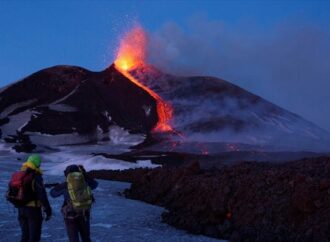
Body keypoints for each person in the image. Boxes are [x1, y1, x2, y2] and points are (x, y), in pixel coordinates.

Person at [50, 164, 98, 242]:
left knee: (73, 239)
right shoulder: (85, 182)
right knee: (86, 238)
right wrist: (85, 175)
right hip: (84, 212)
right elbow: (95, 184)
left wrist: (59, 186)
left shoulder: (66, 184)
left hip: (70, 215)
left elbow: (52, 194)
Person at [14, 154, 52, 242]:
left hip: (21, 209)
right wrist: (48, 209)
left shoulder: (20, 174)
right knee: (34, 238)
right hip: (33, 211)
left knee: (25, 237)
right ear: (37, 163)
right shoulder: (35, 176)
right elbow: (42, 194)